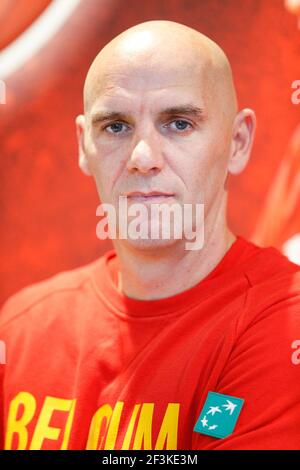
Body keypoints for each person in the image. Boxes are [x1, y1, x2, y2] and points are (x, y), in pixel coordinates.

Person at [0, 20, 299, 451]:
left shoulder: (283, 320)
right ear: (84, 145)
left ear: (237, 141)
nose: (143, 158)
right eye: (116, 126)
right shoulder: (23, 325)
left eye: (178, 123)